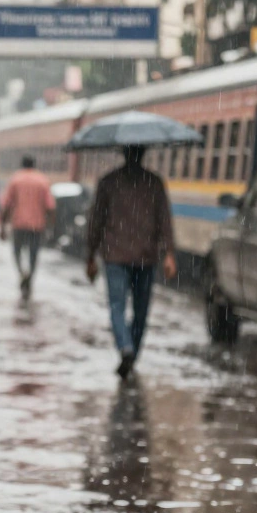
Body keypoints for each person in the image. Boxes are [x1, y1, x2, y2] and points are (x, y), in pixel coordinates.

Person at [86, 145, 178, 378]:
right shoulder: (154, 183)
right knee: (141, 310)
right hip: (145, 257)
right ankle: (133, 353)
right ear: (143, 155)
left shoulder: (108, 182)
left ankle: (125, 348)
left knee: (117, 306)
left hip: (115, 255)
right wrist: (169, 253)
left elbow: (95, 221)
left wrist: (90, 255)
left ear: (123, 155)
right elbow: (165, 220)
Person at [0, 155, 55, 299]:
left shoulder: (15, 179)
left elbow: (7, 204)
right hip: (37, 225)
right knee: (33, 253)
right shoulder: (42, 180)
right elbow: (50, 206)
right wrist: (50, 226)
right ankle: (30, 275)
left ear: (22, 164)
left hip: (19, 223)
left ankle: (21, 272)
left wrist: (2, 226)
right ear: (34, 164)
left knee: (17, 251)